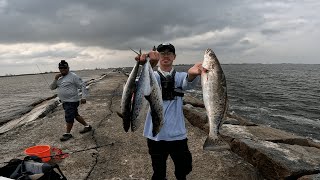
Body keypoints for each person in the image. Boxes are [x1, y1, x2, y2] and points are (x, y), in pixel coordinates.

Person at [135, 43, 203, 180]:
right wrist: (146, 65)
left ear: (174, 57)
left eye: (169, 53)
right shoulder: (152, 75)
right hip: (155, 135)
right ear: (158, 56)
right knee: (158, 172)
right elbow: (140, 87)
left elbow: (187, 83)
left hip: (178, 135)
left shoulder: (180, 76)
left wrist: (192, 74)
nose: (166, 55)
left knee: (183, 170)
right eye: (162, 53)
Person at [50, 60, 92, 141]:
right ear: (59, 69)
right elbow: (52, 87)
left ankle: (67, 133)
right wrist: (55, 79)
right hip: (64, 102)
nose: (63, 69)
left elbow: (83, 85)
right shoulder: (59, 78)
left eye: (65, 68)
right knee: (75, 115)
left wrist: (83, 97)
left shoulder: (73, 76)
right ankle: (87, 126)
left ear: (68, 68)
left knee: (69, 116)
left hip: (72, 101)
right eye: (61, 68)